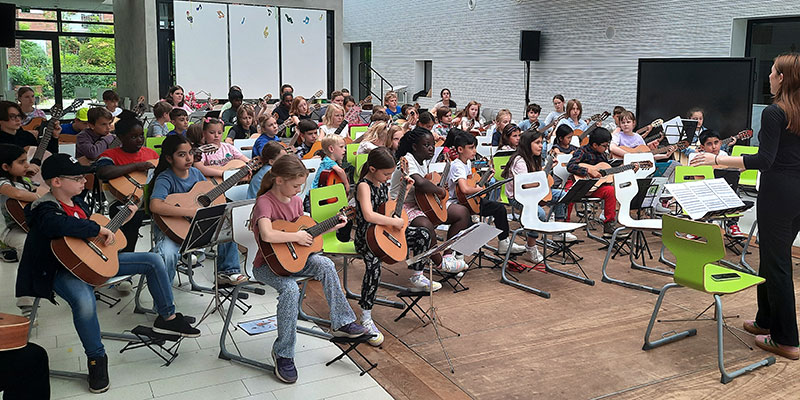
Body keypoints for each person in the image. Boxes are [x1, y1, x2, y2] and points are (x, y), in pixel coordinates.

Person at [16, 153, 200, 393]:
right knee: (84, 302)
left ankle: (167, 318)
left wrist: (121, 219)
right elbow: (58, 225)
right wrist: (97, 228)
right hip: (58, 269)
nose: (84, 182)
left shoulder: (78, 202)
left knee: (153, 259)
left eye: (84, 177)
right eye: (78, 178)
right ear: (56, 182)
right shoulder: (43, 207)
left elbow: (97, 233)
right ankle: (96, 359)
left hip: (91, 261)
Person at [691, 53, 800, 360]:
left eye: (772, 72)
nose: (768, 77)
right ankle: (766, 319)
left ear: (782, 79)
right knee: (771, 257)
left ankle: (787, 339)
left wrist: (717, 159)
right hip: (797, 193)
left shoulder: (775, 112)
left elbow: (764, 160)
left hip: (778, 192)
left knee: (777, 265)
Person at [251, 154, 369, 383]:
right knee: (291, 291)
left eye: (301, 185)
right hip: (267, 266)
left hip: (293, 261)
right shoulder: (265, 201)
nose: (298, 190)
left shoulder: (295, 201)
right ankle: (283, 354)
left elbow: (305, 236)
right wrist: (297, 235)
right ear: (279, 180)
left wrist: (331, 225)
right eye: (295, 185)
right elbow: (267, 234)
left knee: (325, 263)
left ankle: (342, 321)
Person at [354, 147, 436, 345]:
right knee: (374, 266)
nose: (388, 177)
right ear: (372, 169)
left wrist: (404, 190)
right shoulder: (364, 186)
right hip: (367, 236)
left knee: (424, 234)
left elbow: (388, 207)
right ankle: (366, 315)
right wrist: (393, 223)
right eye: (386, 174)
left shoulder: (382, 183)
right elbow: (368, 215)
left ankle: (417, 275)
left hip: (385, 231)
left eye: (391, 174)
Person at [149, 135, 247, 285]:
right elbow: (155, 205)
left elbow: (207, 193)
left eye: (190, 153)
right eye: (182, 155)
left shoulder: (195, 173)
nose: (188, 158)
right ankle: (164, 300)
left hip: (197, 228)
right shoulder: (165, 178)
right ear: (169, 158)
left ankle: (227, 272)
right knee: (167, 254)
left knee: (228, 229)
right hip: (172, 232)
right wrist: (190, 212)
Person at [390, 125, 470, 273]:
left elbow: (427, 182)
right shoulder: (408, 160)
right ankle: (441, 264)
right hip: (402, 205)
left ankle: (448, 254)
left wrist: (438, 185)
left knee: (462, 213)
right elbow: (419, 183)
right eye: (426, 145)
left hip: (422, 203)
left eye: (433, 145)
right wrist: (439, 190)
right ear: (414, 147)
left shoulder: (424, 160)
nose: (431, 148)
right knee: (425, 224)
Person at [448, 132, 526, 255]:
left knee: (499, 208)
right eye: (471, 148)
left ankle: (504, 243)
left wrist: (485, 179)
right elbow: (464, 189)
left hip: (470, 201)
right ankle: (458, 255)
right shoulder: (457, 166)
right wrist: (480, 190)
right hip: (458, 204)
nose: (474, 151)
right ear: (460, 149)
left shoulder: (467, 162)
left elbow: (471, 185)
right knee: (470, 227)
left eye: (475, 147)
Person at [94, 111, 158, 252]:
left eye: (141, 135)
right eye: (133, 137)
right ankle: (126, 255)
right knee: (132, 215)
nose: (139, 140)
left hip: (149, 201)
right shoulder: (110, 155)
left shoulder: (151, 154)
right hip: (120, 202)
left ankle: (162, 251)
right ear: (121, 137)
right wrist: (136, 166)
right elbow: (102, 172)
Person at [0, 144, 40, 315]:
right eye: (21, 162)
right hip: (9, 230)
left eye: (27, 161)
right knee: (27, 245)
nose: (26, 165)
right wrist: (40, 198)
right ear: (5, 167)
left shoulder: (24, 181)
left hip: (28, 224)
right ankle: (26, 302)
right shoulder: (2, 181)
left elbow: (41, 188)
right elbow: (16, 195)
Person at [691, 130, 745, 237]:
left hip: (721, 189)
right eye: (709, 144)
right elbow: (694, 176)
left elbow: (730, 172)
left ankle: (732, 225)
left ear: (720, 143)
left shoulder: (724, 155)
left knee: (735, 191)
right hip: (703, 189)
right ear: (702, 147)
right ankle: (699, 225)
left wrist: (740, 169)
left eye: (716, 143)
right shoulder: (698, 157)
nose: (714, 147)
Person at [566, 128, 618, 237]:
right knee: (567, 193)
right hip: (578, 184)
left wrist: (625, 168)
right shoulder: (582, 151)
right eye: (604, 146)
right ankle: (565, 225)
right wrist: (588, 170)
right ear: (595, 145)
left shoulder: (603, 156)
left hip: (594, 187)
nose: (607, 148)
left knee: (610, 191)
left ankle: (609, 226)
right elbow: (570, 166)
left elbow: (607, 170)